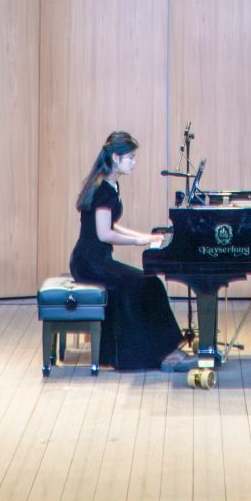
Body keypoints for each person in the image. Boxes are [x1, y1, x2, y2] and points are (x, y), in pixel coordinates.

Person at [69, 132, 197, 373]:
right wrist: (138, 241)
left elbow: (111, 225)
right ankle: (163, 353)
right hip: (89, 263)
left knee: (147, 284)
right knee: (148, 285)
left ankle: (163, 351)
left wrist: (143, 237)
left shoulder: (110, 184)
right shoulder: (103, 190)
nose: (134, 162)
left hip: (96, 260)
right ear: (115, 158)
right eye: (130, 157)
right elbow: (104, 234)